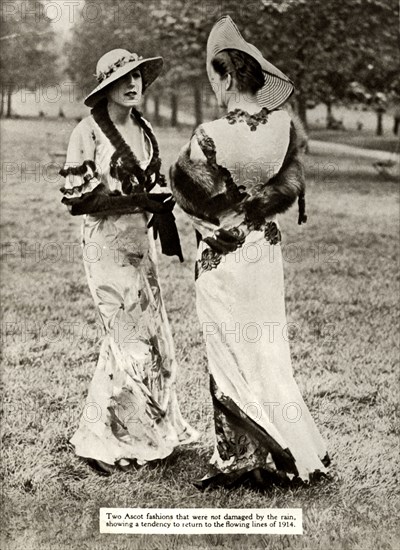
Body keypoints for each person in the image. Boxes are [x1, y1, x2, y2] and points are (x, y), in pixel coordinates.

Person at [170, 16, 330, 489]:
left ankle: (239, 459)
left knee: (228, 350)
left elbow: (185, 191)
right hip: (266, 250)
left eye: (214, 79)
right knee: (267, 348)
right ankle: (285, 448)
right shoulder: (283, 126)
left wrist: (213, 214)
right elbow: (289, 179)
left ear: (226, 77)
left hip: (224, 255)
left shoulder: (208, 135)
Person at [60, 49, 198, 474]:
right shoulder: (88, 132)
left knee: (152, 341)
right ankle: (110, 441)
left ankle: (132, 431)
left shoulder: (145, 128)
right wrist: (141, 199)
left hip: (141, 247)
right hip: (105, 248)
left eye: (138, 77)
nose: (133, 84)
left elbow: (154, 186)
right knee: (129, 343)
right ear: (106, 88)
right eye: (123, 79)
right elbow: (79, 199)